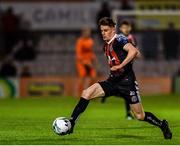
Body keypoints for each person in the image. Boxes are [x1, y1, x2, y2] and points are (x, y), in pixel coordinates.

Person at [66, 17, 172, 139]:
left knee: (139, 116)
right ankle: (71, 123)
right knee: (86, 93)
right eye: (101, 31)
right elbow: (134, 53)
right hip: (112, 81)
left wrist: (121, 65)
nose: (103, 33)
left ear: (113, 29)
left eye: (106, 30)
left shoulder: (119, 39)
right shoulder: (106, 46)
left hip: (127, 83)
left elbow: (134, 51)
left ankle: (163, 125)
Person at [101, 20, 139, 120]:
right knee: (124, 92)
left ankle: (107, 95)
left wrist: (132, 55)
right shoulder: (119, 38)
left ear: (130, 28)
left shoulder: (130, 38)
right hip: (121, 70)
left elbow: (136, 52)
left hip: (126, 70)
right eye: (123, 27)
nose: (125, 29)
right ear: (120, 29)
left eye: (127, 27)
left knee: (124, 93)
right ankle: (128, 113)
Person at [76, 26, 97, 96]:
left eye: (89, 32)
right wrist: (86, 62)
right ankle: (80, 95)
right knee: (82, 77)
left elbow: (91, 52)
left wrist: (94, 58)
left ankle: (90, 94)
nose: (88, 34)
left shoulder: (90, 41)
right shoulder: (80, 41)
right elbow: (78, 55)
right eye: (87, 32)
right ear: (83, 33)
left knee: (93, 77)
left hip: (89, 62)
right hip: (81, 62)